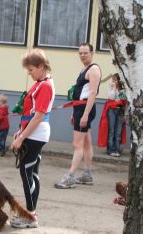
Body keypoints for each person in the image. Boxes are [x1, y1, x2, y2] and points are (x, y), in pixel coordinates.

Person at [10, 49, 55, 229]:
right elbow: (30, 112)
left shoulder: (45, 85)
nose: (29, 73)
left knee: (26, 173)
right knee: (32, 173)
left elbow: (38, 116)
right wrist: (20, 131)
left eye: (31, 70)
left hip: (36, 134)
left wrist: (21, 137)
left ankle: (30, 216)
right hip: (34, 132)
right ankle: (31, 213)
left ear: (42, 66)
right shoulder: (41, 82)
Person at [54, 42, 101, 189]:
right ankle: (86, 175)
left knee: (77, 144)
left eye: (85, 53)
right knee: (86, 142)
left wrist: (85, 115)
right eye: (80, 53)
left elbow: (93, 93)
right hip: (79, 108)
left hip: (85, 109)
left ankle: (70, 177)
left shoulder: (93, 70)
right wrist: (76, 114)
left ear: (92, 53)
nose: (82, 55)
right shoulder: (84, 69)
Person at [98, 73, 127, 157]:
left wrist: (125, 114)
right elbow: (111, 97)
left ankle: (117, 150)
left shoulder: (122, 90)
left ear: (119, 80)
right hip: (111, 110)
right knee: (111, 130)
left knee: (118, 131)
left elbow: (124, 100)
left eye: (115, 80)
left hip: (120, 110)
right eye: (112, 80)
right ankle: (110, 150)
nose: (113, 81)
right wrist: (114, 87)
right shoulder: (110, 87)